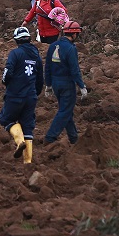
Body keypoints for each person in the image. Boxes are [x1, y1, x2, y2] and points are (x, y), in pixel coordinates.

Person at [0, 25, 43, 163]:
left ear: (16, 40)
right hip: (31, 96)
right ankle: (28, 162)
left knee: (6, 119)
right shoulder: (37, 56)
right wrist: (35, 92)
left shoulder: (15, 53)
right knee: (28, 125)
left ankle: (19, 142)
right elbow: (40, 79)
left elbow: (8, 73)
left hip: (15, 94)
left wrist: (6, 83)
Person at [42, 10, 87, 145]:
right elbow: (75, 70)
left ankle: (74, 138)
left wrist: (48, 85)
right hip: (67, 84)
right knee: (64, 112)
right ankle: (50, 137)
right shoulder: (70, 49)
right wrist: (82, 86)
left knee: (66, 111)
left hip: (56, 84)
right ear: (74, 34)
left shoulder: (53, 46)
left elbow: (48, 67)